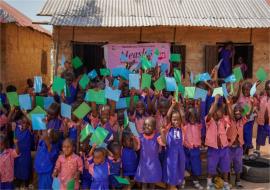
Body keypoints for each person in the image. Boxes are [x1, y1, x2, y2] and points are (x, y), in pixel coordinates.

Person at [205, 95, 231, 190]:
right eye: (220, 111)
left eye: (220, 111)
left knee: (226, 167)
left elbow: (230, 116)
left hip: (224, 148)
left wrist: (228, 104)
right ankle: (209, 183)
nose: (222, 113)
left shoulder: (223, 120)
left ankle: (226, 183)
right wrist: (215, 102)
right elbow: (210, 114)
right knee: (211, 166)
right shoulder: (208, 120)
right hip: (213, 149)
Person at [159, 99, 185, 189]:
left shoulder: (182, 128)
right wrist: (173, 105)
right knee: (170, 170)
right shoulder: (169, 128)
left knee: (179, 169)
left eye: (178, 120)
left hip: (180, 154)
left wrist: (179, 106)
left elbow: (183, 115)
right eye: (174, 120)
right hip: (170, 153)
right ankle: (169, 186)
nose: (176, 122)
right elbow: (168, 115)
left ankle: (178, 185)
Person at [227, 101, 253, 188]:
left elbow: (248, 114)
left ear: (241, 113)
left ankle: (238, 181)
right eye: (235, 111)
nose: (237, 113)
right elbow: (230, 114)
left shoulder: (242, 121)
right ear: (233, 113)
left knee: (238, 164)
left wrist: (252, 105)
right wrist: (229, 104)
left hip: (239, 148)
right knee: (228, 164)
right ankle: (228, 182)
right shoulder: (230, 120)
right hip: (230, 147)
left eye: (239, 111)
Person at [135, 117, 162, 189]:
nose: (146, 126)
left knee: (152, 183)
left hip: (153, 164)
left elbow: (164, 143)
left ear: (154, 128)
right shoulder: (140, 136)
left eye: (149, 125)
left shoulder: (157, 136)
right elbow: (136, 148)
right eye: (145, 124)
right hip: (144, 164)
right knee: (144, 183)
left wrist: (162, 133)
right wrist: (134, 139)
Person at [183, 105, 203, 190]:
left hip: (195, 149)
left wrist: (198, 107)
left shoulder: (198, 125)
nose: (192, 118)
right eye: (190, 116)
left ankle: (196, 181)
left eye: (194, 116)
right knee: (185, 165)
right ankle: (182, 181)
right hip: (186, 149)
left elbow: (198, 116)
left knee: (196, 166)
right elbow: (183, 117)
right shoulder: (185, 125)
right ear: (187, 117)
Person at [12, 111, 34, 188]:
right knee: (18, 170)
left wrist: (25, 114)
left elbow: (33, 123)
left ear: (28, 125)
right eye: (22, 122)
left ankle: (26, 185)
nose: (23, 124)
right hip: (17, 155)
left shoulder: (29, 131)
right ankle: (18, 184)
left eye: (25, 123)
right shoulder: (16, 129)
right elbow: (12, 120)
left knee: (26, 171)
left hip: (26, 156)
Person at [255, 80, 270, 158]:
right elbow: (253, 94)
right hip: (261, 123)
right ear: (265, 89)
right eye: (267, 89)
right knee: (259, 139)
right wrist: (255, 85)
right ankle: (257, 152)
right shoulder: (262, 98)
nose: (269, 91)